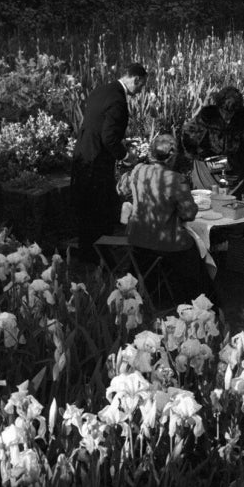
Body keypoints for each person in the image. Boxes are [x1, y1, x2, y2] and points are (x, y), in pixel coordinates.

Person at [125, 133, 216, 306]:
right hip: (166, 242)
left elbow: (123, 189)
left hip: (137, 238)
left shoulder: (138, 170)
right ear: (172, 156)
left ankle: (162, 292)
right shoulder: (175, 179)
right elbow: (189, 214)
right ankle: (201, 300)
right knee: (194, 250)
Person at [70, 62, 147, 260]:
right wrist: (126, 156)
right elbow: (109, 138)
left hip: (83, 154)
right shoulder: (118, 100)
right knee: (99, 209)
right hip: (97, 161)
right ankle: (101, 256)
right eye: (141, 85)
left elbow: (96, 125)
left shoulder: (101, 90)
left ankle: (87, 251)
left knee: (86, 209)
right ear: (136, 79)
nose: (140, 91)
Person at [182, 86, 244, 206]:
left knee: (240, 204)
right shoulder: (207, 115)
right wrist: (202, 155)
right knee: (209, 202)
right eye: (224, 111)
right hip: (207, 171)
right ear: (219, 106)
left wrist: (242, 157)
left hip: (239, 169)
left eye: (231, 112)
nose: (227, 115)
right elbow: (188, 137)